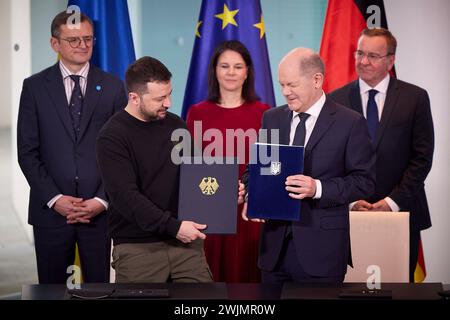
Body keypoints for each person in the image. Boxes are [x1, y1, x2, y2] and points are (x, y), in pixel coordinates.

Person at [240, 48, 376, 284]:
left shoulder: (350, 123)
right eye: (282, 85)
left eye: (291, 84)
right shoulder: (272, 118)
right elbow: (256, 169)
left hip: (322, 252)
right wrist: (253, 193)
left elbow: (364, 182)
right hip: (274, 252)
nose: (285, 92)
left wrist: (318, 188)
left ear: (316, 80)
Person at [17, 11, 127, 284]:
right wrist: (56, 199)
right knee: (53, 290)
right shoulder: (34, 88)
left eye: (88, 39)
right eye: (74, 39)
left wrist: (101, 200)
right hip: (51, 213)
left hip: (98, 213)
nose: (83, 45)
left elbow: (122, 153)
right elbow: (27, 152)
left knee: (98, 289)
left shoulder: (113, 87)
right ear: (55, 44)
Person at [328, 28, 434, 282]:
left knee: (398, 288)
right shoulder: (335, 99)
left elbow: (422, 158)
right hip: (349, 213)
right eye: (360, 53)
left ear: (390, 60)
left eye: (373, 56)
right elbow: (330, 160)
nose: (364, 61)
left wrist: (392, 201)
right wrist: (351, 200)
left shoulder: (415, 98)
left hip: (401, 212)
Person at [96, 56, 213, 283]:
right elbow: (126, 198)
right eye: (160, 98)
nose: (168, 103)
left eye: (169, 94)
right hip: (138, 248)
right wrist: (173, 226)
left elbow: (198, 174)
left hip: (185, 244)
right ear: (134, 98)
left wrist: (225, 195)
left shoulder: (176, 124)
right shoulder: (112, 137)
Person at [186, 40, 270, 283]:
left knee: (248, 284)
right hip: (209, 212)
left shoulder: (265, 113)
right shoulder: (197, 113)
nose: (231, 72)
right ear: (214, 71)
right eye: (224, 66)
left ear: (247, 72)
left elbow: (270, 165)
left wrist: (249, 190)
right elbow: (190, 167)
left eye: (237, 66)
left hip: (250, 213)